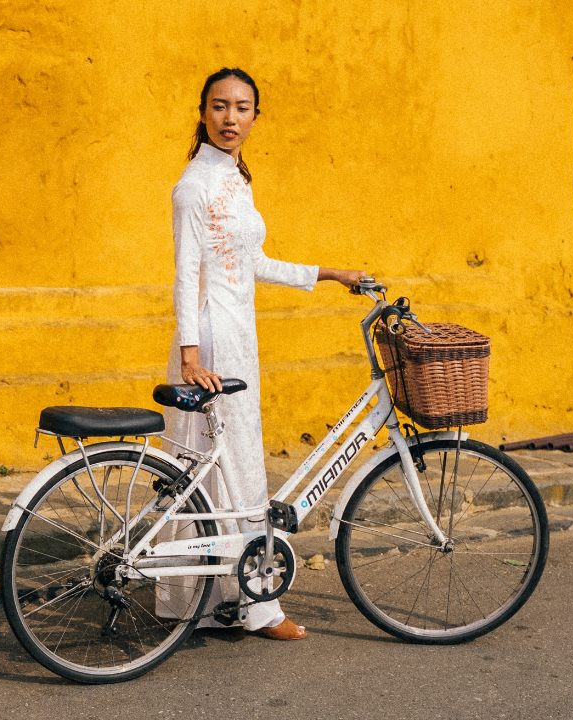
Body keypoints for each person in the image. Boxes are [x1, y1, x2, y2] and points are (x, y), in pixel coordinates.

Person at [165, 67, 363, 641]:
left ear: (257, 115)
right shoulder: (194, 186)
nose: (231, 119)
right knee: (221, 465)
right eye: (220, 107)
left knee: (231, 464)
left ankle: (228, 595)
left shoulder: (235, 178)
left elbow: (253, 262)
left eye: (243, 108)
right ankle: (254, 606)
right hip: (211, 338)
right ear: (202, 112)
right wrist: (190, 355)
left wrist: (328, 273)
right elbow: (184, 277)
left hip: (238, 333)